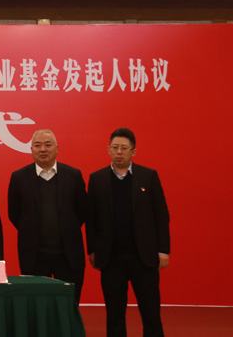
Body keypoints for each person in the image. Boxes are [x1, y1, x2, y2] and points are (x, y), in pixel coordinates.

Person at [87, 127, 170, 337]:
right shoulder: (97, 179)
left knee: (151, 311)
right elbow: (91, 219)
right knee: (114, 314)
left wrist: (163, 250)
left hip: (144, 257)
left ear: (134, 151)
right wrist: (92, 250)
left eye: (124, 148)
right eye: (115, 147)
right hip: (111, 258)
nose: (119, 152)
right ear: (108, 149)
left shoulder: (148, 176)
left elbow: (161, 215)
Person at [7, 129, 88, 306]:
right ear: (31, 149)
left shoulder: (73, 175)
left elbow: (82, 211)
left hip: (68, 255)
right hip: (34, 255)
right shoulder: (19, 177)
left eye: (48, 145)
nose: (43, 149)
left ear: (57, 148)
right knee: (36, 305)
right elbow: (14, 214)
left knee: (68, 305)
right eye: (37, 145)